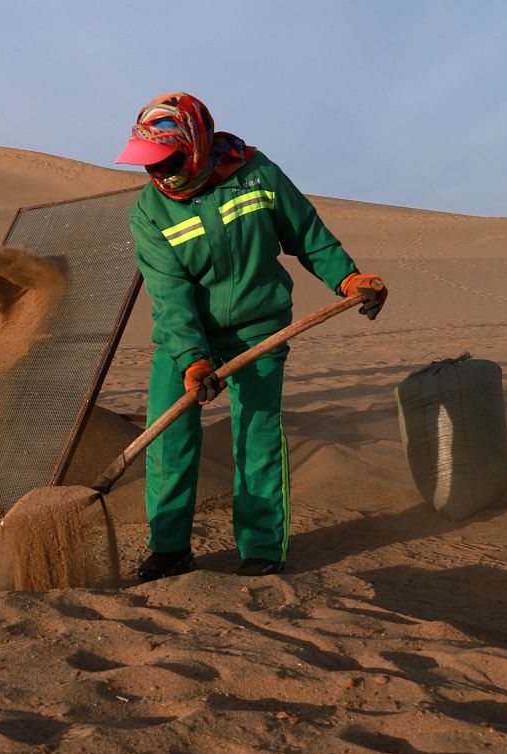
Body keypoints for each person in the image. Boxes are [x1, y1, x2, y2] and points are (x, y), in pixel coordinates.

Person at [115, 92, 387, 580]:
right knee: (170, 439)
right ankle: (170, 549)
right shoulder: (149, 212)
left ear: (195, 144)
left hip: (258, 330)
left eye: (168, 159)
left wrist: (348, 278)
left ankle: (262, 549)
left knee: (256, 436)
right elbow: (170, 295)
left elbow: (308, 235)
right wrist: (193, 360)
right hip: (185, 340)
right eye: (150, 163)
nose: (159, 172)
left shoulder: (257, 175)